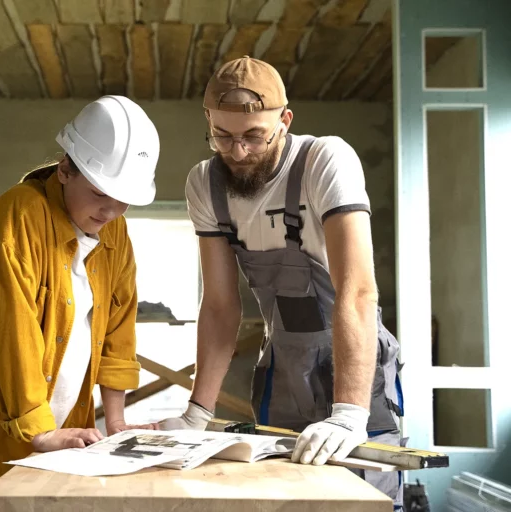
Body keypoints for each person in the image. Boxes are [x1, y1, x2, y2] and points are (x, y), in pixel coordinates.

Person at [155, 57, 405, 508]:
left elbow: (358, 291)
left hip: (351, 363)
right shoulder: (205, 184)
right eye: (223, 136)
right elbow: (219, 306)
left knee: (360, 497)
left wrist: (349, 414)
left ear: (284, 121)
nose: (238, 152)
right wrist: (197, 414)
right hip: (283, 366)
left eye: (254, 135)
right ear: (208, 120)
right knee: (280, 496)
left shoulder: (324, 160)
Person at [0, 95, 160, 510]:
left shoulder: (115, 233)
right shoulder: (17, 215)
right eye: (100, 193)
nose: (111, 210)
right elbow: (9, 332)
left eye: (125, 199)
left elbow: (118, 330)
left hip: (40, 426)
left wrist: (117, 419)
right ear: (65, 169)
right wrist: (39, 432)